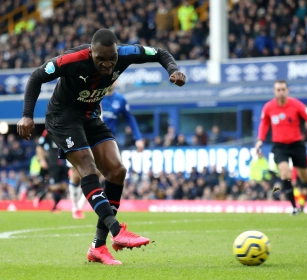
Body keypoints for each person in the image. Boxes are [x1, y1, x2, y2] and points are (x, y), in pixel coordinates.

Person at [17, 29, 186, 265]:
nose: (107, 65)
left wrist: (173, 70)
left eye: (112, 59)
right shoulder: (71, 60)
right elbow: (36, 76)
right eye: (101, 60)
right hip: (62, 118)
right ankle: (117, 231)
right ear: (91, 52)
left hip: (91, 116)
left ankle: (97, 247)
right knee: (87, 167)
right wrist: (26, 115)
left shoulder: (126, 53)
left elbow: (160, 53)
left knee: (117, 171)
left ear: (117, 52)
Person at [68, 82, 145, 219]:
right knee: (76, 172)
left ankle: (78, 208)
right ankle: (74, 205)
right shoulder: (94, 96)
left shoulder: (120, 100)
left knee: (95, 172)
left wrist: (138, 137)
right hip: (85, 136)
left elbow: (130, 118)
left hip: (105, 141)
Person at [254, 80, 307, 215]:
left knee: (305, 178)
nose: (281, 92)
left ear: (287, 90)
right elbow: (264, 124)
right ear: (274, 92)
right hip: (279, 146)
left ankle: (302, 200)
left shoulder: (296, 104)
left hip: (296, 144)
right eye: (278, 90)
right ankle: (293, 207)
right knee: (285, 173)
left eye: (283, 89)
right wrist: (260, 140)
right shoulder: (268, 107)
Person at [33, 129, 69, 212]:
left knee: (64, 186)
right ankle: (43, 196)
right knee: (56, 184)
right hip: (54, 163)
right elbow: (39, 146)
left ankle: (46, 197)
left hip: (66, 163)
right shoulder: (49, 130)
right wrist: (42, 160)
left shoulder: (68, 126)